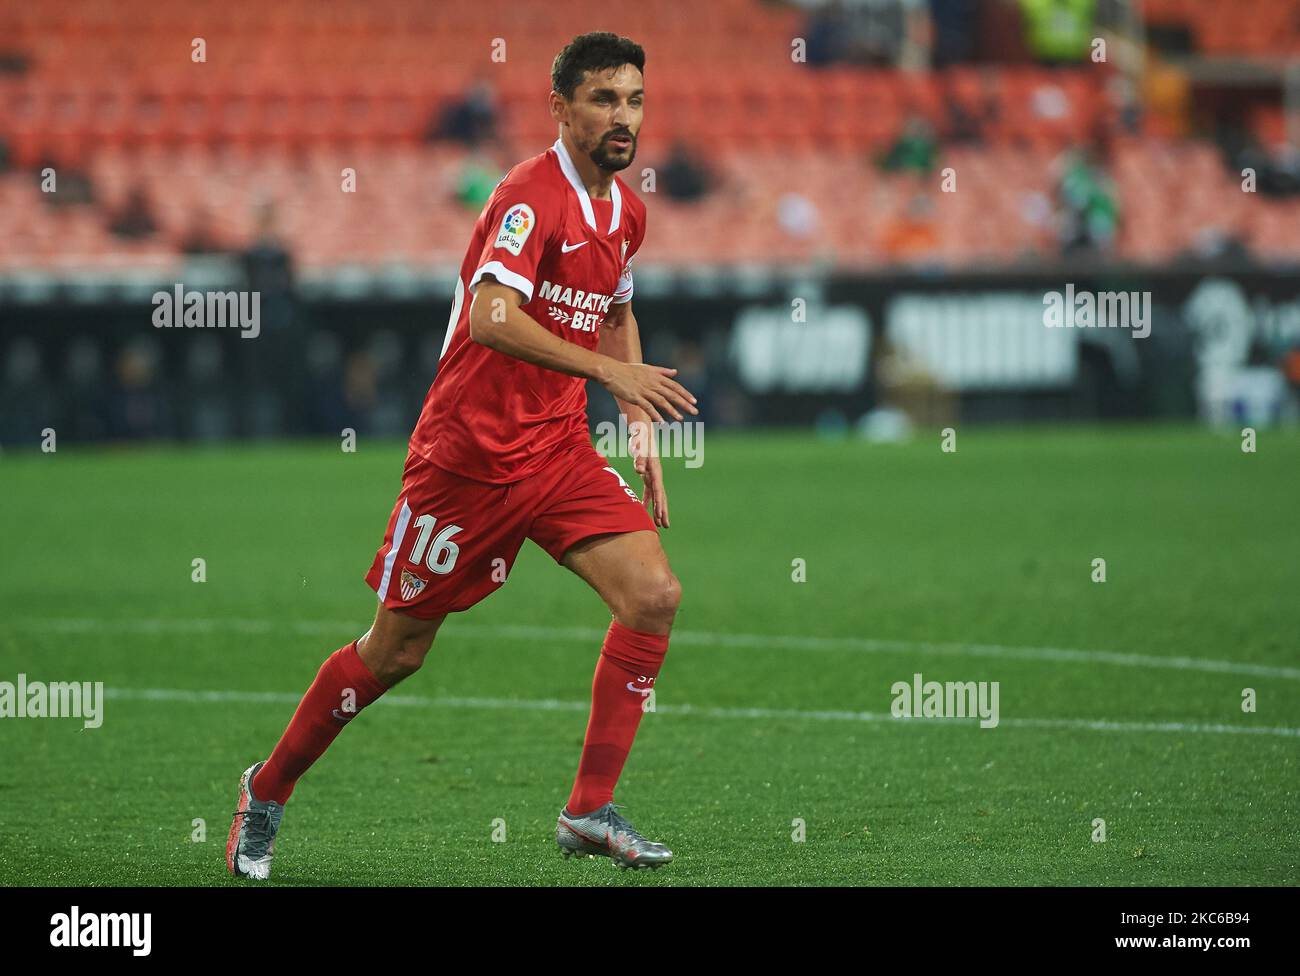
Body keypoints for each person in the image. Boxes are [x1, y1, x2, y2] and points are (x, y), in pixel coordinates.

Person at [227, 31, 698, 878]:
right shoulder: (528, 196)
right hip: (466, 461)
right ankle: (267, 786)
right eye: (603, 99)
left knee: (653, 595)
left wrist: (633, 417)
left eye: (633, 100)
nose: (623, 117)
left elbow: (616, 308)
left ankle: (588, 811)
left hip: (555, 451)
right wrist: (610, 370)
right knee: (394, 652)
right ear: (560, 107)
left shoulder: (625, 211)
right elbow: (491, 318)